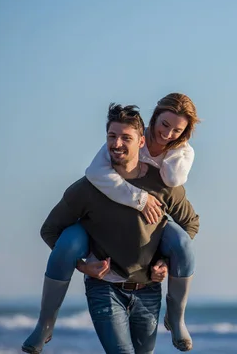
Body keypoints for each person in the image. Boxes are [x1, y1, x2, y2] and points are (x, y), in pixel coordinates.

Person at [22, 94, 200, 353]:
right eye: (112, 137)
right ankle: (45, 324)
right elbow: (49, 230)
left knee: (182, 240)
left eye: (126, 138)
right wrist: (83, 266)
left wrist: (165, 262)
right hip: (104, 288)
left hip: (148, 289)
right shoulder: (90, 187)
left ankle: (176, 318)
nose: (117, 144)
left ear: (141, 142)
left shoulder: (163, 183)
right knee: (71, 237)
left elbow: (190, 224)